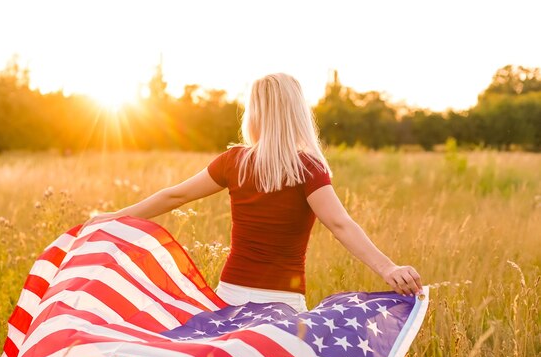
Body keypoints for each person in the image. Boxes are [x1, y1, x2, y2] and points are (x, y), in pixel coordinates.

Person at [81, 73, 423, 313]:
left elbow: (174, 196)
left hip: (229, 296)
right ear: (297, 112)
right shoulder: (308, 168)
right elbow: (340, 224)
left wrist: (113, 217)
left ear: (256, 112)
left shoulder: (234, 162)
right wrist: (388, 268)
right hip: (283, 303)